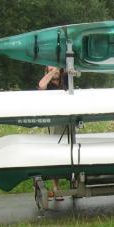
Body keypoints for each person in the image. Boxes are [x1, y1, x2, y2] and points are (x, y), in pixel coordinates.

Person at [37, 66, 68, 201]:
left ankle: (75, 182)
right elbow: (41, 85)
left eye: (55, 68)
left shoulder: (66, 80)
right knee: (55, 153)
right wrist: (52, 72)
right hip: (54, 122)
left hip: (68, 119)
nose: (53, 71)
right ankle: (56, 187)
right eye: (49, 68)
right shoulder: (47, 84)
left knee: (69, 150)